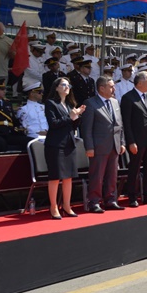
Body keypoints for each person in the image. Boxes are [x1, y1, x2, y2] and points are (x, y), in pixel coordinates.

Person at [80, 76, 126, 212]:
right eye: (111, 86)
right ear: (101, 88)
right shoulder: (90, 103)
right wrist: (89, 147)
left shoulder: (115, 102)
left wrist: (122, 142)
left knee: (112, 175)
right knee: (97, 176)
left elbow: (119, 125)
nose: (114, 89)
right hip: (98, 146)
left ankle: (110, 200)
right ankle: (94, 202)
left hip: (114, 145)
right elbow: (86, 128)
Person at [44, 77, 86, 219]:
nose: (67, 87)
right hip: (55, 145)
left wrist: (77, 116)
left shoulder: (69, 104)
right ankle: (53, 206)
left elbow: (72, 125)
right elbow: (53, 124)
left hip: (69, 143)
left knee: (68, 177)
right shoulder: (51, 103)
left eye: (68, 85)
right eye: (63, 84)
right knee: (55, 177)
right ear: (56, 87)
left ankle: (67, 205)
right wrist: (70, 116)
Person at [121, 71, 147, 207]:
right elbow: (126, 123)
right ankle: (132, 196)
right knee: (134, 169)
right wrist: (131, 142)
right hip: (136, 141)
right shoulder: (128, 98)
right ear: (139, 83)